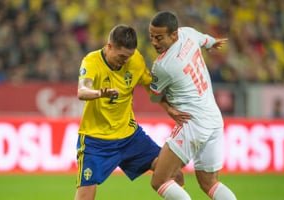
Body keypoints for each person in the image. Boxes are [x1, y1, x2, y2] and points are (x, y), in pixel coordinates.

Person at [75, 24, 183, 200]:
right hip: (96, 141)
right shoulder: (91, 61)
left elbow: (151, 89)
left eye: (129, 56)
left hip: (130, 137)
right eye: (122, 56)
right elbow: (82, 91)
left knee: (174, 174)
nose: (125, 61)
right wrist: (99, 93)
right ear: (109, 46)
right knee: (85, 196)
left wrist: (169, 109)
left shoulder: (135, 60)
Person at [148, 11, 237, 200]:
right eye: (151, 37)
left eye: (159, 37)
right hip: (213, 120)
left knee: (160, 180)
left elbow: (154, 96)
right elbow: (206, 40)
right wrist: (214, 42)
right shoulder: (188, 33)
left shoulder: (163, 66)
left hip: (192, 123)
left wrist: (168, 108)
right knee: (209, 183)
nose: (154, 42)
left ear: (174, 34)